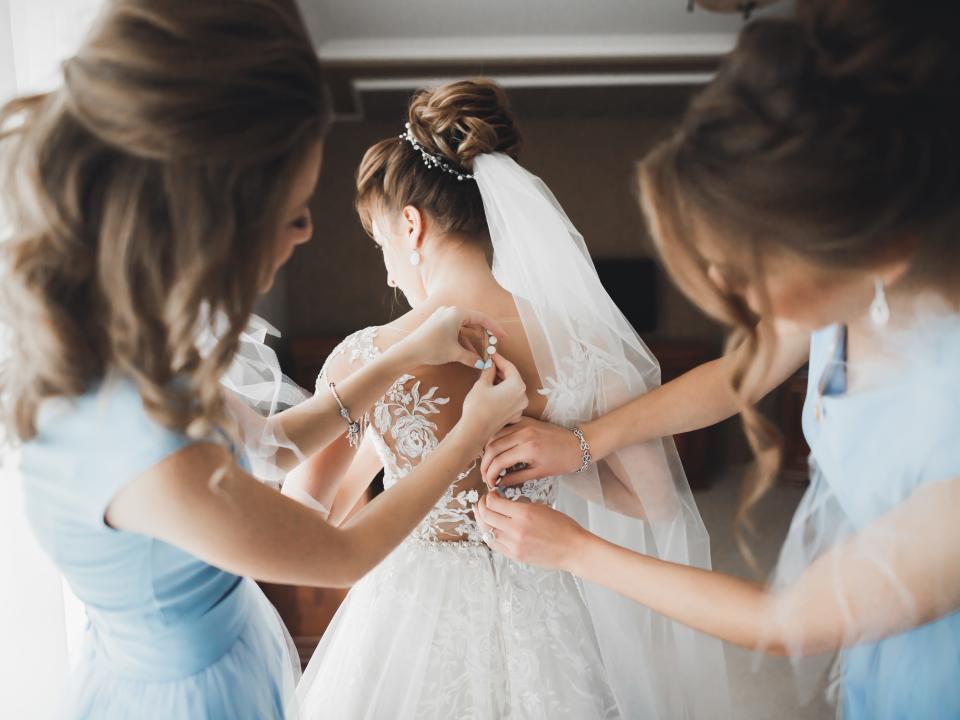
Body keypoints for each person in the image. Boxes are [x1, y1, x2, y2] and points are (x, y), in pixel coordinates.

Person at [0, 2, 526, 718]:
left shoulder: (130, 338)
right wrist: (468, 429)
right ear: (208, 223)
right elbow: (341, 554)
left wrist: (401, 355)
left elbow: (268, 448)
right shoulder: (135, 442)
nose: (308, 232)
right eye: (292, 211)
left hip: (225, 642)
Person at [477, 3, 960, 718]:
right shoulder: (858, 296)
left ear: (875, 248)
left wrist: (580, 552)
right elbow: (737, 376)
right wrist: (583, 442)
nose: (729, 288)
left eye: (746, 265)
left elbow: (786, 620)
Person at [285, 78, 730, 719]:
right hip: (540, 603)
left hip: (408, 614)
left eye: (382, 243)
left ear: (411, 226)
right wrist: (564, 457)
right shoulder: (580, 346)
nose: (387, 269)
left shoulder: (364, 356)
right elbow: (655, 500)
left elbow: (309, 517)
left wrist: (392, 454)